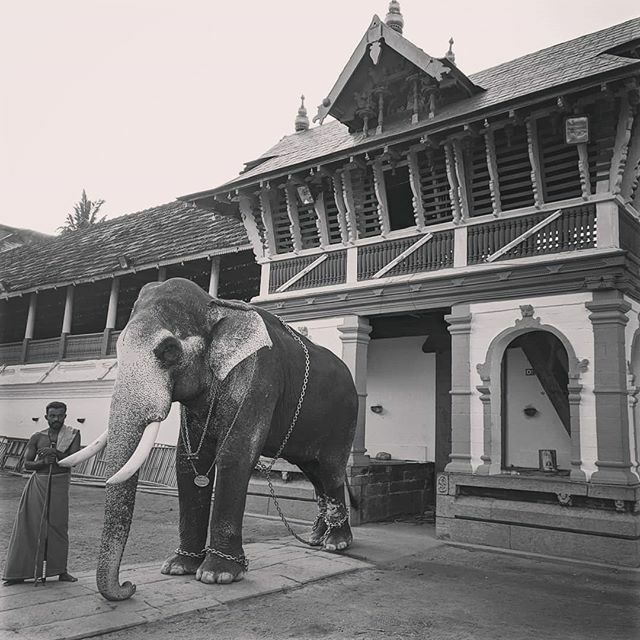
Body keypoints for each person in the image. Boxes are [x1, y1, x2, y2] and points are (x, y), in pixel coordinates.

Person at [2, 401, 81, 586]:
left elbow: (74, 460)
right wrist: (44, 461)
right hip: (39, 484)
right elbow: (27, 464)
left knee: (59, 527)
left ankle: (61, 571)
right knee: (29, 526)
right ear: (46, 417)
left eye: (60, 415)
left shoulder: (73, 434)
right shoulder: (37, 437)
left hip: (60, 484)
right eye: (52, 416)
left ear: (65, 416)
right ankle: (18, 573)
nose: (56, 419)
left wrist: (56, 453)